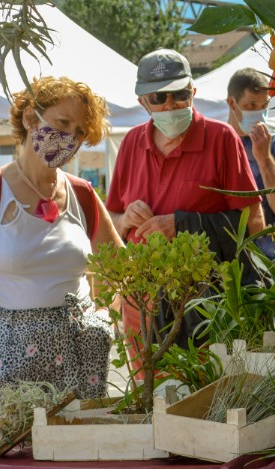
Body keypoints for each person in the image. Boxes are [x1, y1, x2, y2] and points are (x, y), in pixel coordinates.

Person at [0, 76, 124, 444]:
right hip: (3, 366)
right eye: (62, 123)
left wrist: (102, 319)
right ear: (30, 119)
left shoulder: (82, 194)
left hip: (79, 363)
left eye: (80, 131)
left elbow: (123, 269)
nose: (70, 137)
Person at [106, 48, 265, 373]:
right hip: (143, 299)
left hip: (205, 303)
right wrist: (124, 219)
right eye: (159, 98)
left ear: (193, 92)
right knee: (148, 399)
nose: (170, 105)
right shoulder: (132, 143)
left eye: (179, 95)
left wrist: (183, 225)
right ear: (143, 102)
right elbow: (111, 220)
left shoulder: (222, 139)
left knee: (201, 402)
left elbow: (255, 224)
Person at [226, 68, 275, 258]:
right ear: (232, 103)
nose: (258, 113)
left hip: (266, 263)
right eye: (251, 105)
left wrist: (265, 160)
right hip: (221, 260)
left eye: (263, 106)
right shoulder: (215, 144)